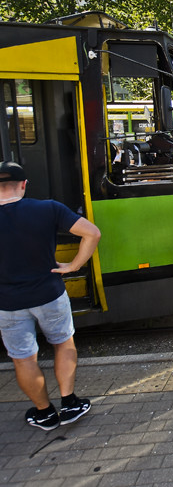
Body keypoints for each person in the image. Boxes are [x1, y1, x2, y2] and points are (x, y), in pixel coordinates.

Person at [0, 161, 101, 430]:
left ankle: (44, 413)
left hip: (7, 302)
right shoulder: (47, 208)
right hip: (49, 293)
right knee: (63, 343)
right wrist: (74, 266)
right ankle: (69, 404)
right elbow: (92, 233)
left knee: (23, 358)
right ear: (23, 185)